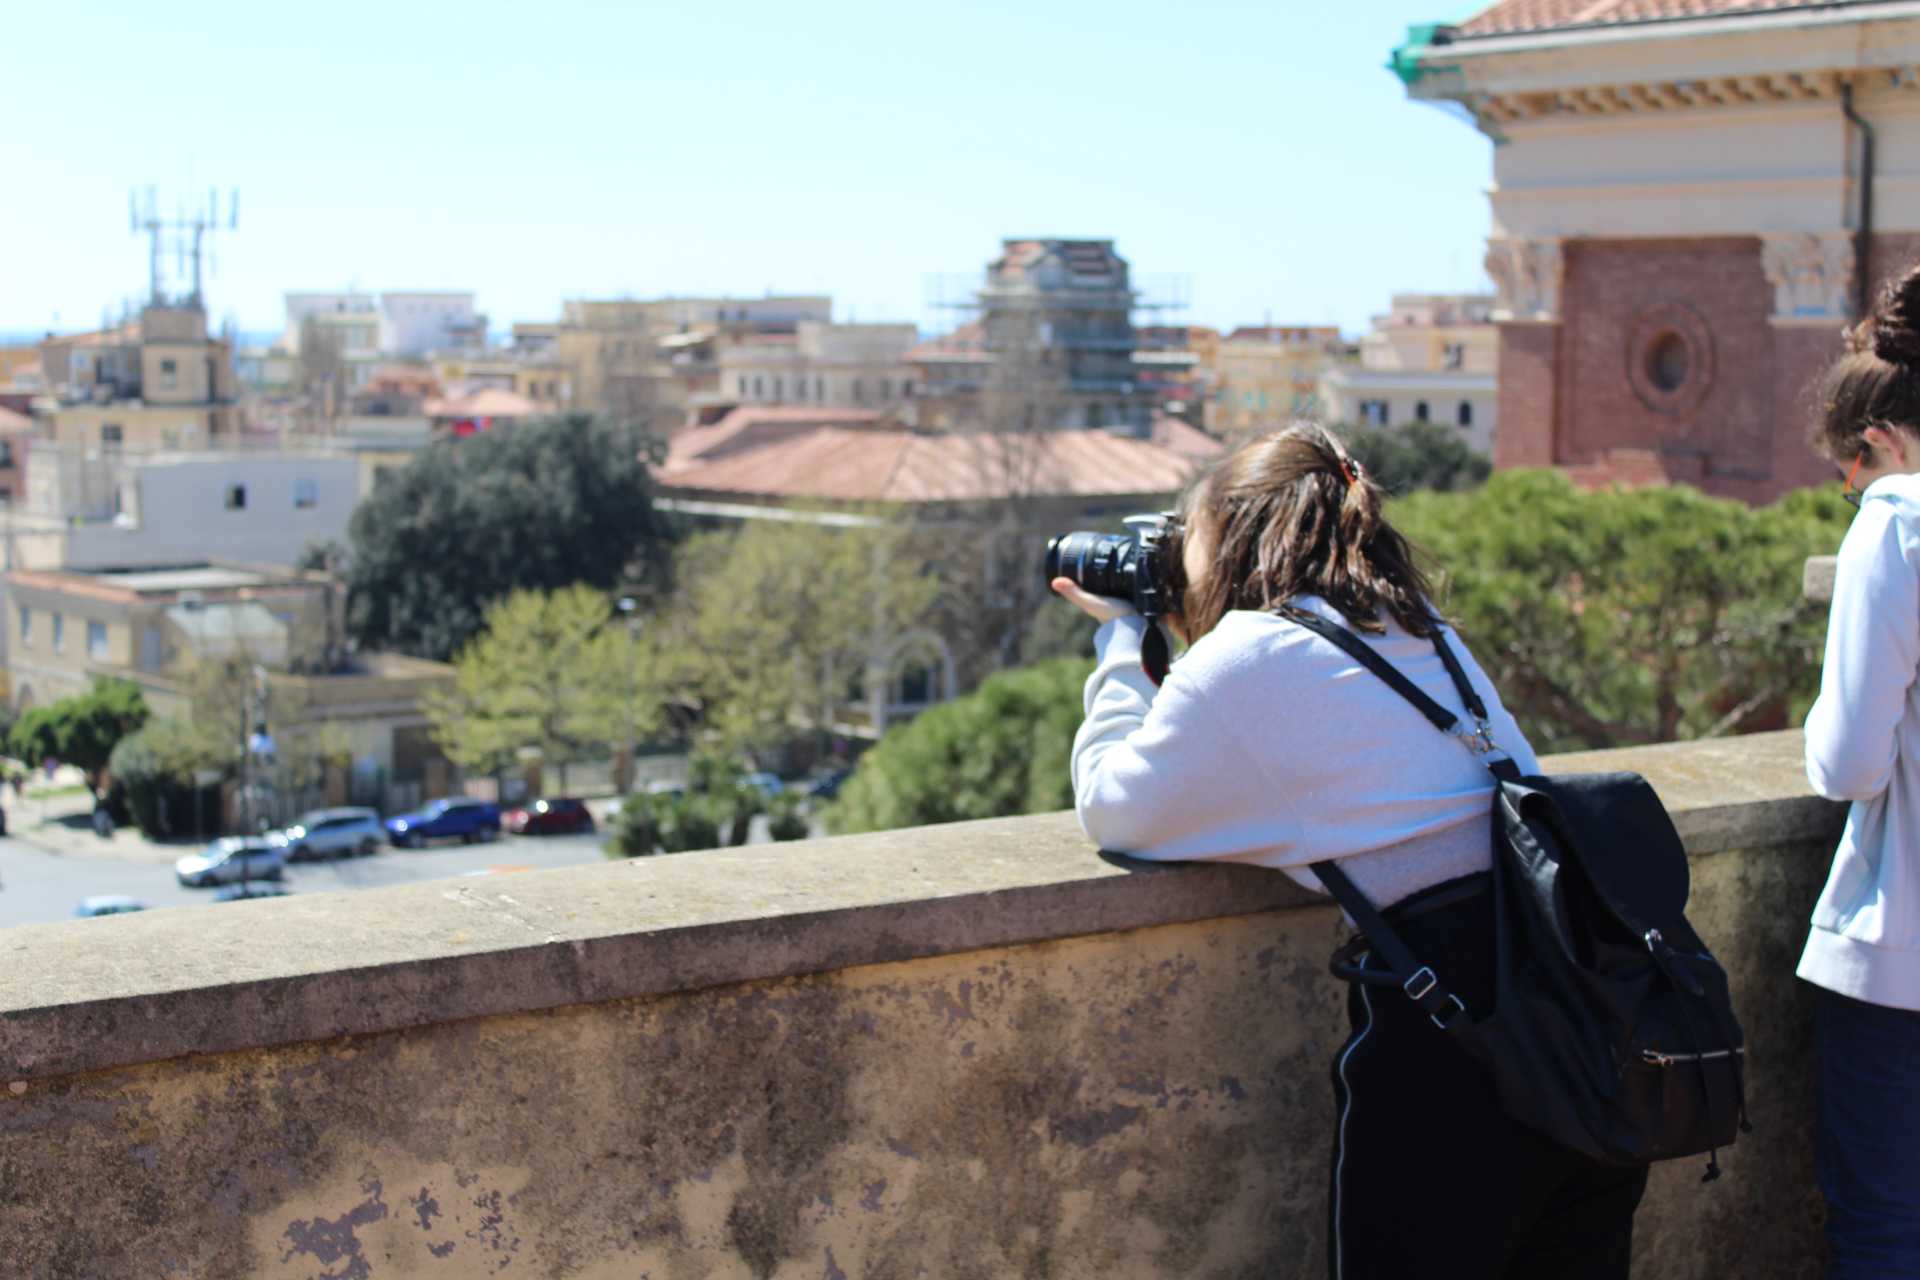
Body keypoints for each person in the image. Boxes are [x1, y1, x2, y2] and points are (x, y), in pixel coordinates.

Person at [1051, 423, 1647, 1280]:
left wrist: (1120, 643)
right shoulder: (1419, 627)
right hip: (1581, 1029)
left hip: (1454, 1055)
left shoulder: (1247, 658)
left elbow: (1114, 808)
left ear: (1235, 536)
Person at [1800, 264, 1920, 1279]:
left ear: (1878, 437)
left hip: (1902, 958)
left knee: (1885, 1230)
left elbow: (1846, 762)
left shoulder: (1897, 522)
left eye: (1849, 471)